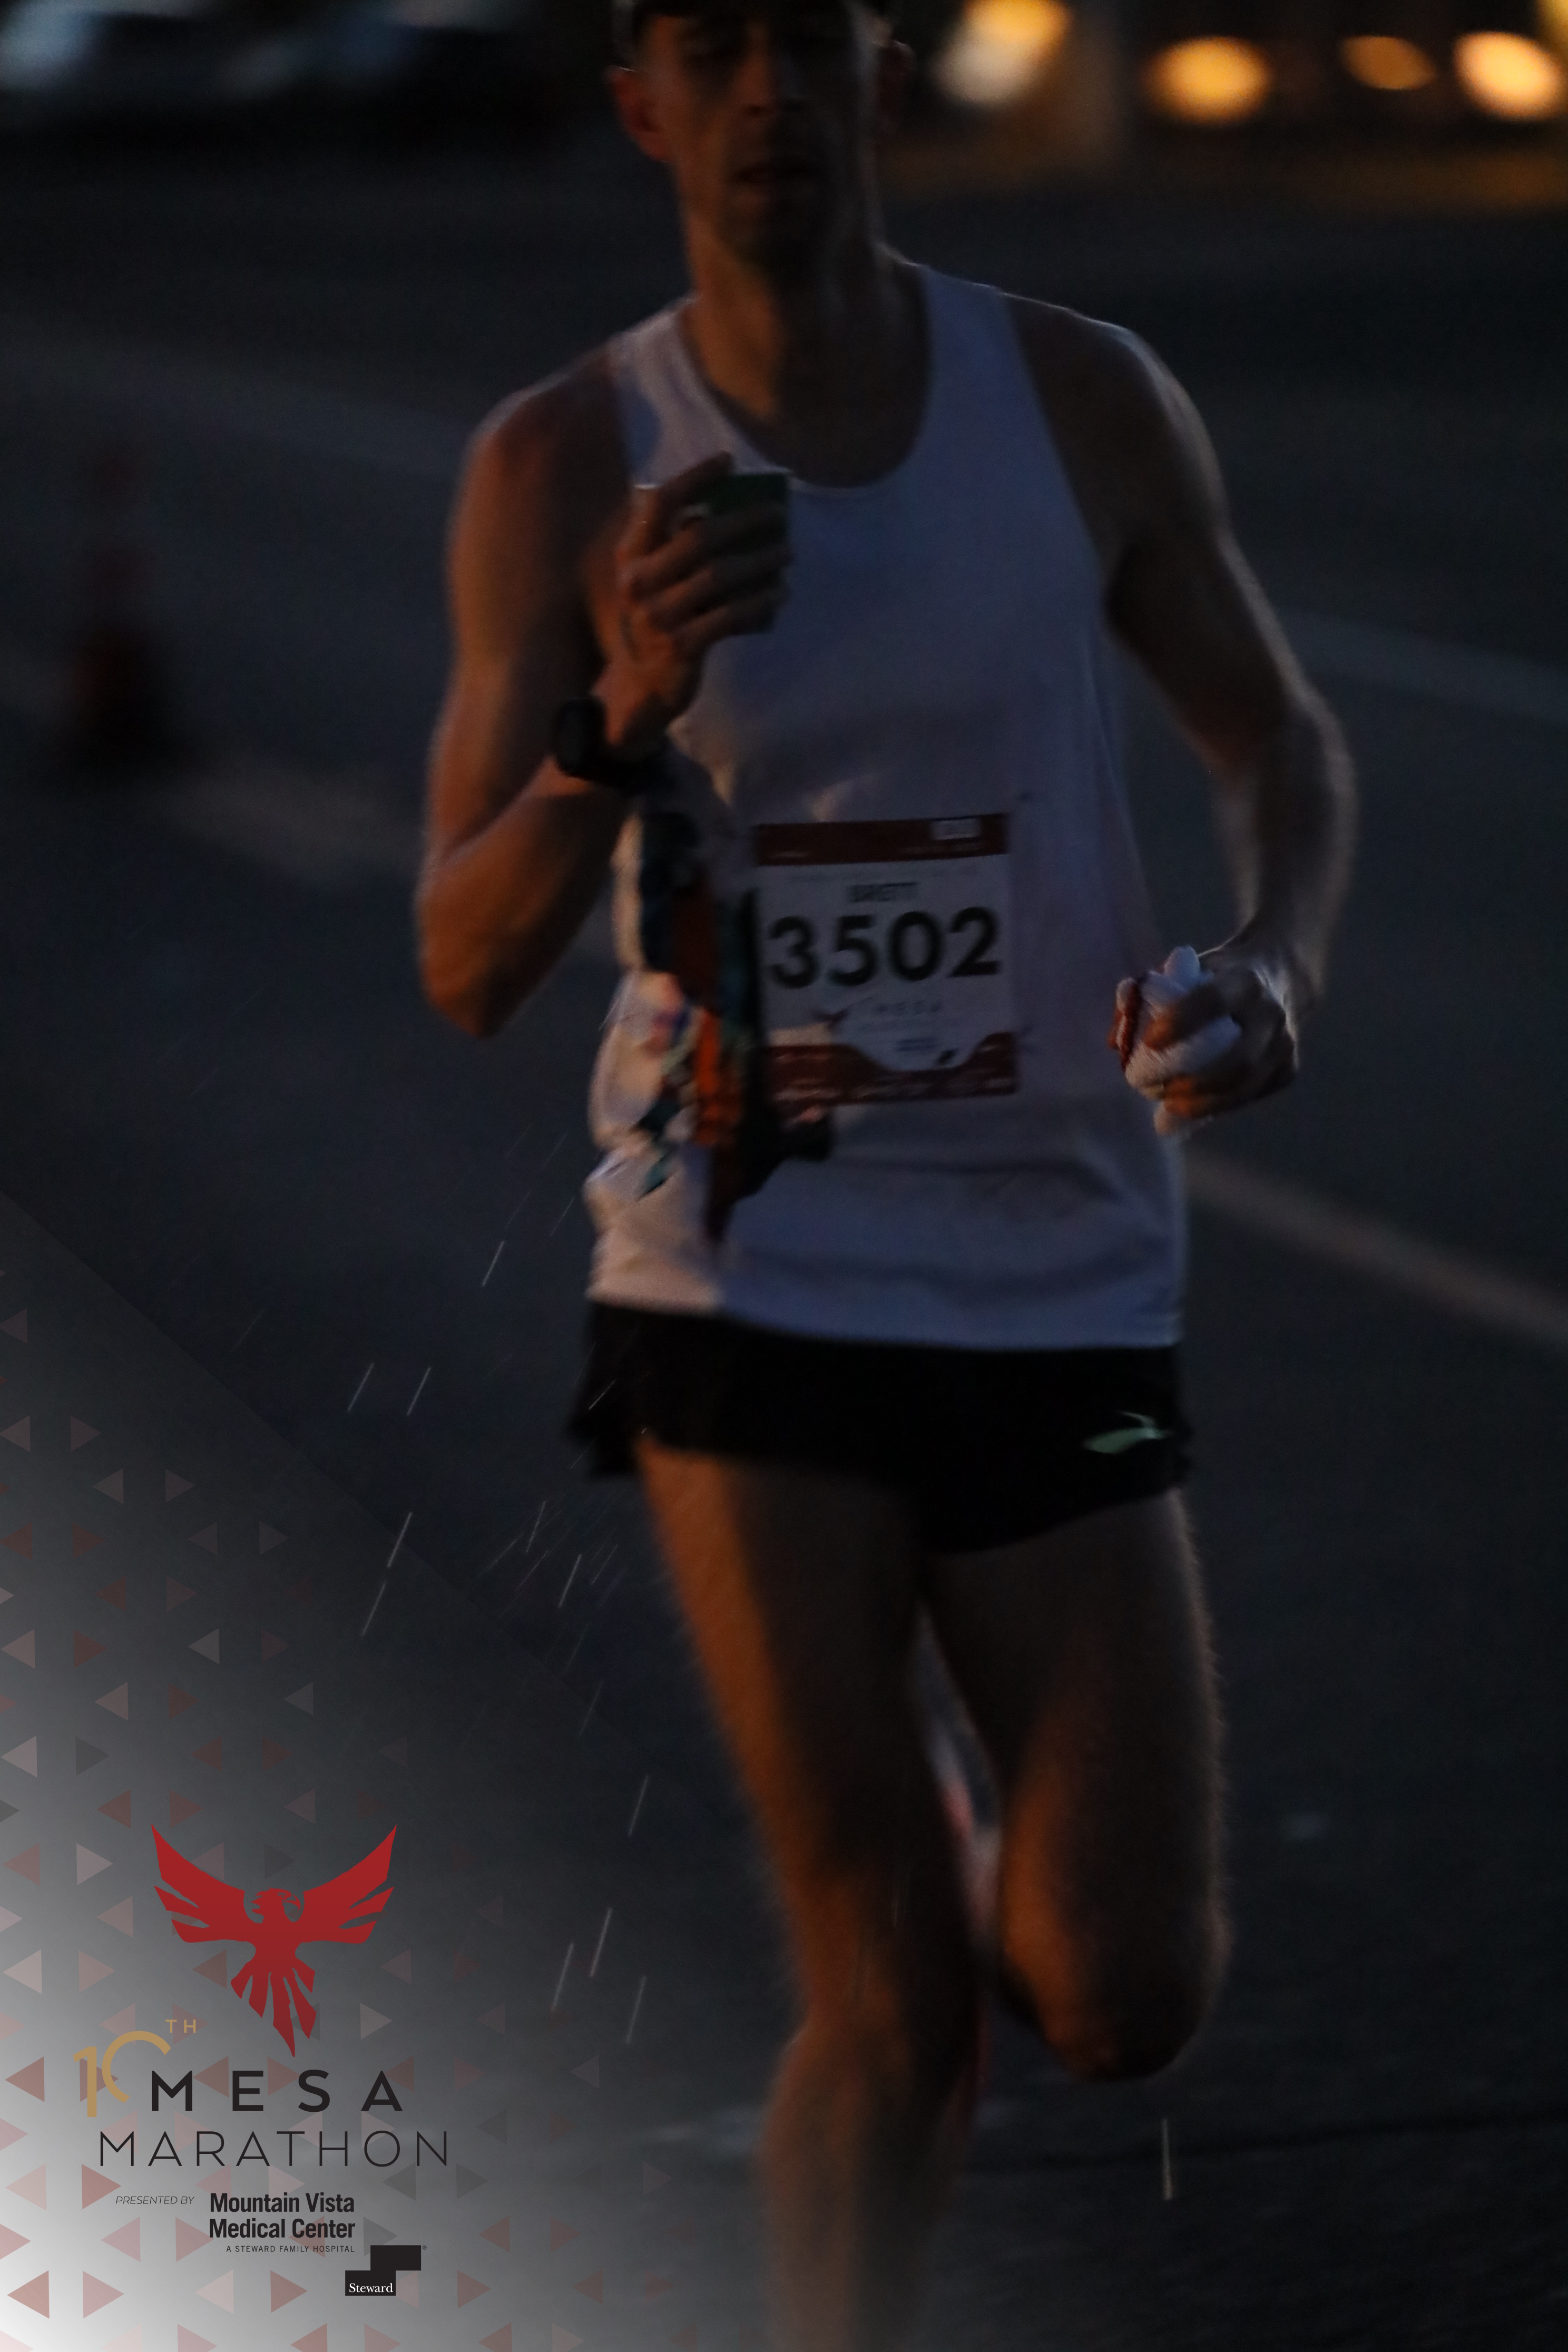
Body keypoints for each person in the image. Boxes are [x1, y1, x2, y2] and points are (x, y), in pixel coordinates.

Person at [415, 4, 1357, 2346]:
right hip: (745, 1267)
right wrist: (619, 716)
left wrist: (1273, 963)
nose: (767, 93)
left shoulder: (1079, 400)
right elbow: (464, 957)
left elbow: (1280, 738)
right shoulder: (565, 461)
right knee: (894, 1994)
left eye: (811, 40)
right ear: (639, 104)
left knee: (1120, 1988)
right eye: (710, 45)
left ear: (881, 78)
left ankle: (952, 1822)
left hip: (1057, 1261)